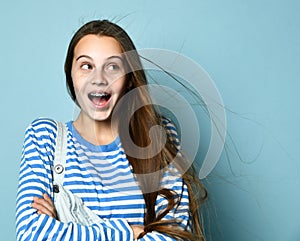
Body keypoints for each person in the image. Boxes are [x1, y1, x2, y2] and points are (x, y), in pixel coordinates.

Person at [16, 20, 207, 240]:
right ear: (71, 75)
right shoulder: (44, 137)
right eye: (86, 66)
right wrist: (129, 232)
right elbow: (31, 234)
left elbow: (177, 236)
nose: (98, 79)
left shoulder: (159, 135)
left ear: (128, 79)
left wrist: (62, 229)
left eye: (113, 67)